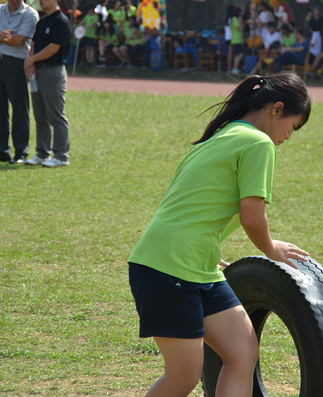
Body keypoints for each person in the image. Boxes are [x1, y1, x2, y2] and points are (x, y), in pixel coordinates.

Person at [127, 72, 311, 397]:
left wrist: (204, 249)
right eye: (293, 127)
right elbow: (252, 217)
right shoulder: (258, 143)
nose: (288, 137)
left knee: (242, 353)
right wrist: (271, 248)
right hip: (167, 268)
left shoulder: (225, 134)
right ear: (277, 109)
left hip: (196, 265)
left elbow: (194, 203)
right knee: (183, 377)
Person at [0, 0, 39, 164]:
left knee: (20, 108)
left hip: (16, 63)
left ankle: (21, 152)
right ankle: (2, 151)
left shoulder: (30, 13)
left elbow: (19, 40)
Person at [23, 0, 71, 168]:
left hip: (52, 72)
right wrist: (31, 63)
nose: (41, 1)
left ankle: (61, 156)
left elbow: (53, 48)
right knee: (40, 116)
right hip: (38, 72)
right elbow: (33, 45)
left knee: (56, 116)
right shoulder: (42, 21)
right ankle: (43, 153)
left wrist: (30, 60)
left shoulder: (61, 21)